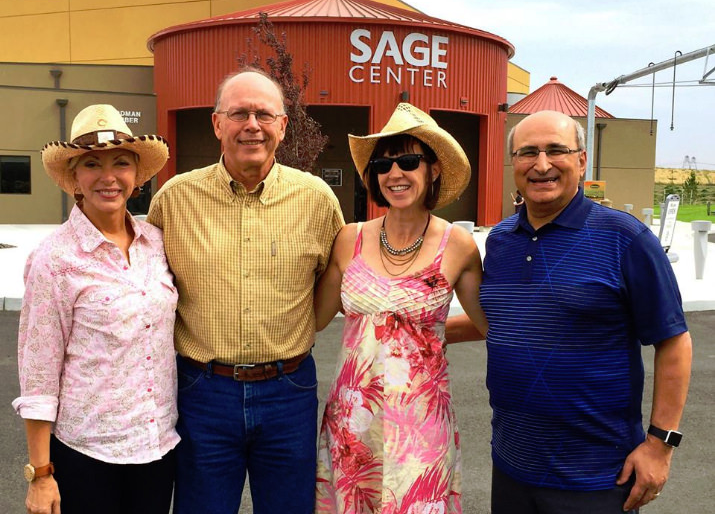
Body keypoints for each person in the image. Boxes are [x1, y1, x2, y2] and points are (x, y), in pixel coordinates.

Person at [448, 110, 692, 513]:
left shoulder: (625, 238)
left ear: (581, 160)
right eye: (527, 153)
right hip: (512, 466)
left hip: (597, 477)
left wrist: (660, 444)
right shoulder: (502, 241)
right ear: (514, 164)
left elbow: (674, 341)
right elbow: (506, 322)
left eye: (556, 150)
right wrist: (415, 330)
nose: (541, 165)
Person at [146, 67, 344, 514]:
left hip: (289, 390)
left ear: (283, 125)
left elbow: (340, 277)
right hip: (203, 391)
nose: (251, 125)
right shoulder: (174, 200)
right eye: (238, 114)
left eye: (263, 114)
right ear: (217, 124)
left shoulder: (317, 200)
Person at [314, 103, 489, 513]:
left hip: (421, 425)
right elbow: (315, 319)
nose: (395, 174)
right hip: (353, 421)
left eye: (409, 161)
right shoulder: (349, 238)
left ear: (434, 169)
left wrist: (433, 336)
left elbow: (489, 324)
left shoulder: (457, 245)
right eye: (384, 164)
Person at [13, 104, 179, 514]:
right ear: (75, 179)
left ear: (136, 175)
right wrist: (41, 473)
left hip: (158, 446)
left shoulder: (156, 243)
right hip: (87, 454)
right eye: (92, 164)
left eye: (121, 163)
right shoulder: (54, 259)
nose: (108, 177)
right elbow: (38, 375)